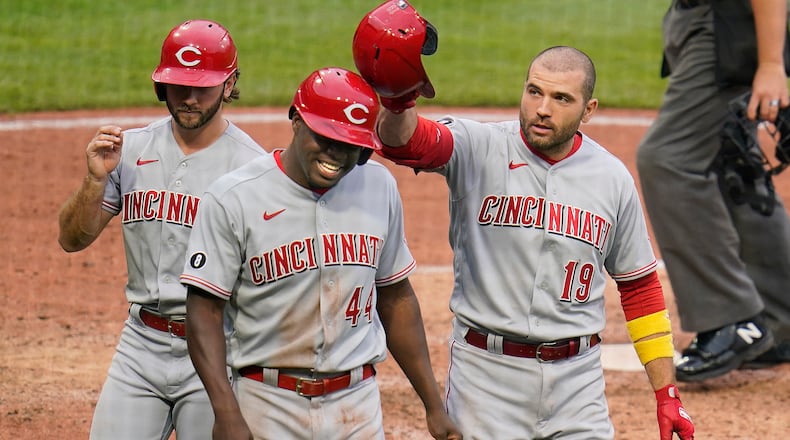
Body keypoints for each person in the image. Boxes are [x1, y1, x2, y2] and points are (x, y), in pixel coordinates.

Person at [352, 2, 696, 439]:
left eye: (561, 99)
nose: (542, 109)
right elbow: (406, 143)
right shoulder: (478, 147)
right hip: (486, 382)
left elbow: (639, 287)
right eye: (534, 91)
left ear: (588, 110)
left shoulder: (612, 179)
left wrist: (666, 394)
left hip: (578, 386)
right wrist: (398, 99)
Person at [179, 66, 462, 440]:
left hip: (356, 407)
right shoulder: (235, 197)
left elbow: (395, 296)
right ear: (296, 120)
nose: (336, 154)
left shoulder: (378, 186)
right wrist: (226, 411)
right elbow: (204, 309)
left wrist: (432, 405)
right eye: (325, 137)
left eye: (351, 145)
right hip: (268, 405)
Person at [57, 19, 266, 439]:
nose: (189, 98)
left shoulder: (253, 169)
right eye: (178, 86)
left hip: (218, 349)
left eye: (203, 87)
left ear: (228, 85)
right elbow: (71, 239)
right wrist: (95, 181)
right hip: (140, 343)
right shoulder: (129, 150)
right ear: (161, 85)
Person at [636, 0, 790, 382]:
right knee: (729, 162)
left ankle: (732, 318)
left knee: (669, 158)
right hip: (712, 21)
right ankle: (781, 318)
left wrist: (771, 64)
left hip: (727, 22)